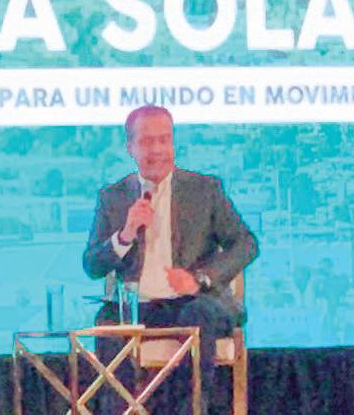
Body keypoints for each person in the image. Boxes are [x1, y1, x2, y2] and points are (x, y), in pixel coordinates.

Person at [82, 105, 258, 415]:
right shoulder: (113, 197)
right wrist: (125, 234)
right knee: (107, 323)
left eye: (164, 140)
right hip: (137, 307)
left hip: (192, 301)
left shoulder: (204, 190)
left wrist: (199, 279)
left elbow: (245, 244)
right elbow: (93, 266)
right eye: (147, 142)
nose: (157, 150)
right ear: (131, 147)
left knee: (199, 316)